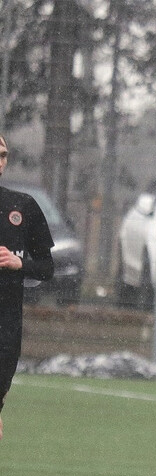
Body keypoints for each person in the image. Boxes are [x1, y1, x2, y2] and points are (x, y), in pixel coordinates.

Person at [0, 134, 55, 441]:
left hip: (6, 325)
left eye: (4, 154)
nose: (0, 161)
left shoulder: (23, 206)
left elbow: (47, 268)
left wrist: (20, 264)